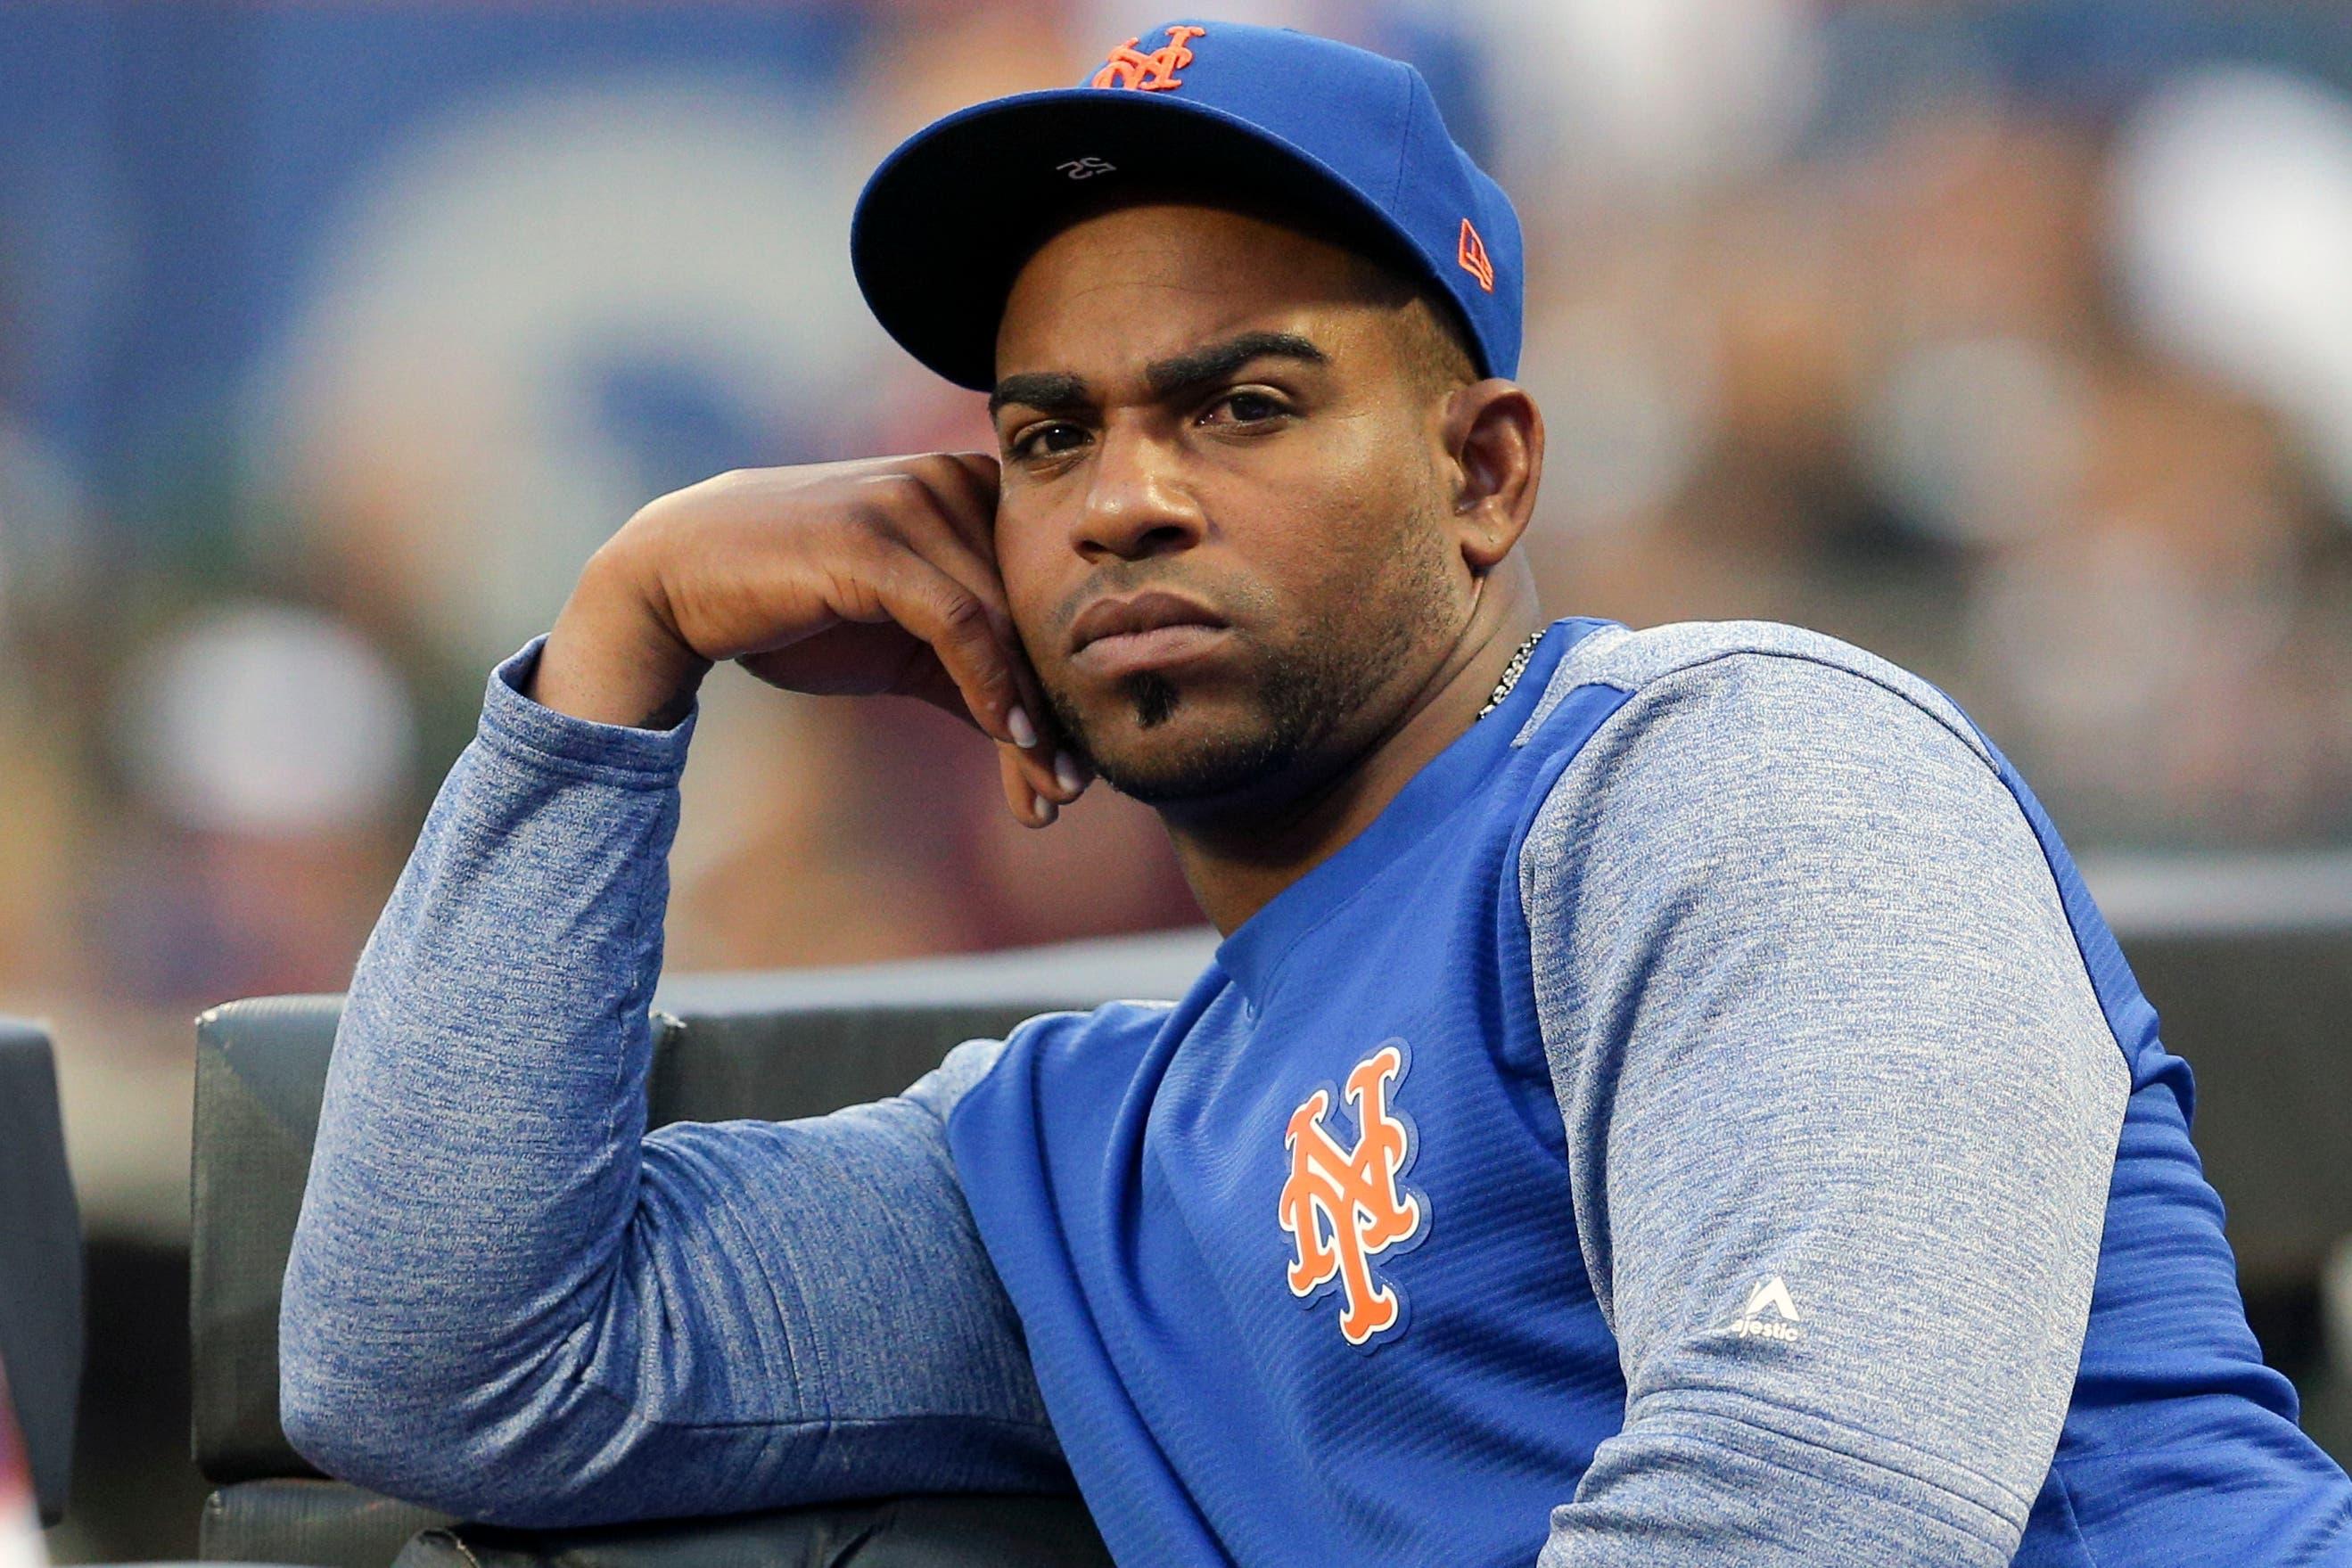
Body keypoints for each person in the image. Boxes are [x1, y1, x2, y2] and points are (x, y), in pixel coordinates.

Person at [280, 20, 2352, 1567]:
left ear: (1483, 472)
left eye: (1241, 404)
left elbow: (1808, 1507)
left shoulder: (1733, 772)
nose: (1128, 498)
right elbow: (441, 1366)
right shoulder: (1081, 1159)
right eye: (1044, 438)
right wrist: (621, 649)